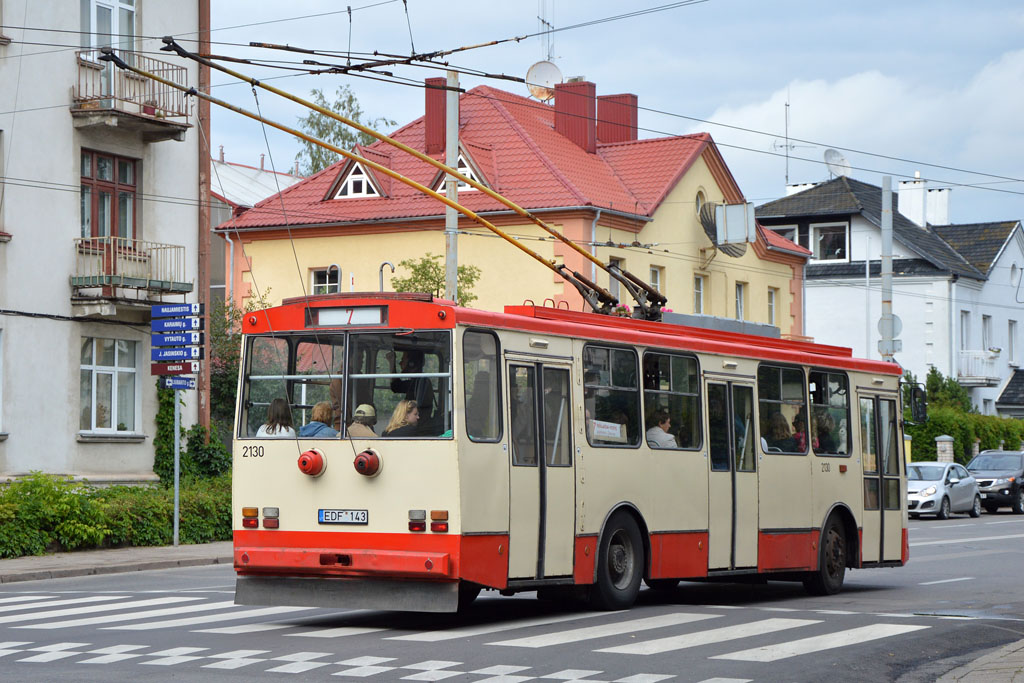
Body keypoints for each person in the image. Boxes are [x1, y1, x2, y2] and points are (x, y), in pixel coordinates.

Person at [387, 349, 434, 422]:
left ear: (411, 363)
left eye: (403, 359)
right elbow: (396, 386)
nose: (400, 363)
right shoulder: (418, 381)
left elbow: (396, 386)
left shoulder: (420, 382)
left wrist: (392, 363)